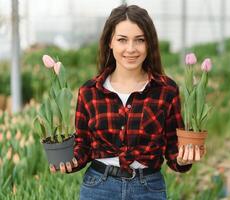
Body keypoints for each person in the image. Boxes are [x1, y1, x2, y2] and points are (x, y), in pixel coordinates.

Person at [49, 4, 205, 200]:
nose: (131, 49)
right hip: (98, 188)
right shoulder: (89, 92)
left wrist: (183, 159)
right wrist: (69, 161)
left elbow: (174, 149)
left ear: (149, 44)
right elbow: (84, 146)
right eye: (122, 40)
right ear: (110, 42)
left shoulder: (166, 90)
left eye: (139, 40)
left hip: (148, 189)